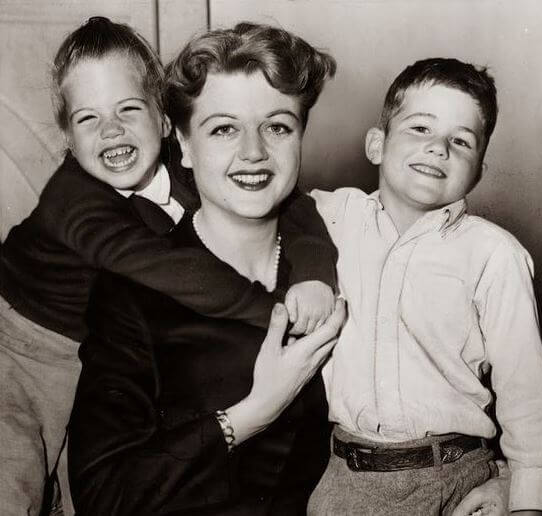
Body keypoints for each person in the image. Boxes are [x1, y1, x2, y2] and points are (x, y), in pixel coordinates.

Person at [0, 17, 338, 516]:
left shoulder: (185, 167)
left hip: (93, 351)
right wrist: (274, 316)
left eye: (129, 109)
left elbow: (298, 206)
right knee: (13, 479)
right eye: (88, 119)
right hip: (25, 345)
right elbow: (172, 271)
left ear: (162, 122)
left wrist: (313, 275)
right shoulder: (74, 204)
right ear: (67, 138)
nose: (112, 130)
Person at [308, 57, 542, 515]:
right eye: (420, 128)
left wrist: (526, 498)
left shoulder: (494, 254)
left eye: (461, 141)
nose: (439, 148)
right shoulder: (330, 218)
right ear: (376, 144)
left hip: (457, 483)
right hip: (344, 483)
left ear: (477, 171)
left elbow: (527, 391)